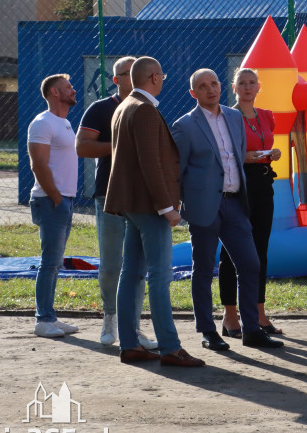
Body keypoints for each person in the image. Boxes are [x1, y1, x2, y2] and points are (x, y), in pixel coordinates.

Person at [170, 68, 283, 352]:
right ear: (193, 93)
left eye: (214, 83)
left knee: (251, 263)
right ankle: (208, 331)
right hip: (204, 207)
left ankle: (251, 329)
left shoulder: (234, 118)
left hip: (235, 202)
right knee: (204, 269)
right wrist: (178, 205)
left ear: (221, 86)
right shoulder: (185, 126)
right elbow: (176, 170)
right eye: (203, 86)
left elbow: (237, 158)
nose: (210, 89)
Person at [106, 57, 204, 367]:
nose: (163, 79)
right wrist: (167, 207)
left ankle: (131, 344)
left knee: (132, 274)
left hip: (132, 204)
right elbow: (151, 163)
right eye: (161, 75)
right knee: (159, 278)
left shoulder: (124, 106)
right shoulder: (145, 110)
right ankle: (170, 348)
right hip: (150, 206)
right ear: (154, 78)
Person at [75, 56, 156, 350]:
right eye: (126, 73)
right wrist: (119, 146)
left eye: (138, 73)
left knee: (137, 266)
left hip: (143, 198)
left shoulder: (149, 108)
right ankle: (110, 316)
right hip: (109, 196)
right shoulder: (101, 108)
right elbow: (82, 147)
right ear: (115, 79)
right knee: (111, 264)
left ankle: (133, 327)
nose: (134, 78)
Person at [222, 68, 285, 335]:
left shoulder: (266, 116)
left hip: (263, 183)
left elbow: (266, 145)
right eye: (242, 83)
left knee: (260, 249)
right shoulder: (226, 117)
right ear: (234, 87)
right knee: (230, 251)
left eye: (252, 83)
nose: (248, 87)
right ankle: (230, 315)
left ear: (259, 87)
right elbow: (226, 154)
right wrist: (251, 156)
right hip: (237, 185)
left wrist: (273, 153)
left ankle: (259, 313)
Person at [27, 75, 79, 338]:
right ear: (55, 92)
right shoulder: (42, 122)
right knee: (49, 263)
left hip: (64, 200)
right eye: (69, 88)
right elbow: (38, 164)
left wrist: (64, 199)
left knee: (55, 262)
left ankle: (50, 317)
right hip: (50, 201)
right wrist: (57, 198)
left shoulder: (65, 122)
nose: (74, 90)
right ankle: (43, 320)